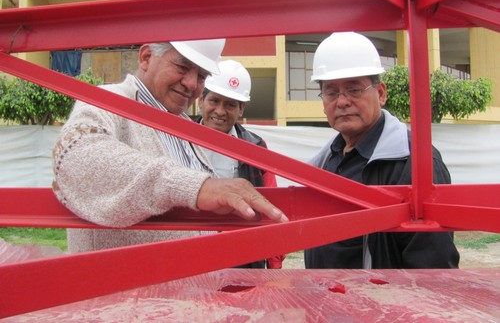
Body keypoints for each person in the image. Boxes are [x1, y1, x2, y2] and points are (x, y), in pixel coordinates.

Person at [52, 39, 288, 254]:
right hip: (124, 298)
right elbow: (76, 157)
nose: (191, 84)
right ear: (146, 58)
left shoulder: (184, 129)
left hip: (184, 296)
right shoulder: (106, 103)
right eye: (183, 67)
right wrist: (195, 187)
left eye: (202, 76)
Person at [304, 32, 459, 269]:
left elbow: (432, 267)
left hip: (380, 305)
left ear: (381, 93)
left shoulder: (414, 162)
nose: (342, 101)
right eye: (331, 92)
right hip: (325, 301)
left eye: (354, 89)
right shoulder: (326, 160)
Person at [196, 59, 285, 269]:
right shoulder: (179, 140)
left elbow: (271, 203)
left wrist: (274, 265)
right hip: (191, 250)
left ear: (241, 109)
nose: (220, 110)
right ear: (201, 101)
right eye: (214, 101)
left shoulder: (256, 148)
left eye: (230, 104)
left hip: (243, 255)